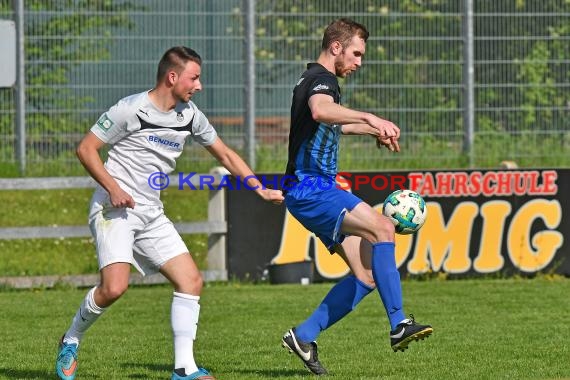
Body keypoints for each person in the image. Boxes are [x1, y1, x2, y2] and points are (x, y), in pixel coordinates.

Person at [55, 46, 284, 380]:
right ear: (172, 77)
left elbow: (225, 154)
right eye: (195, 77)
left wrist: (258, 188)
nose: (199, 86)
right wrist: (115, 188)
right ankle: (71, 338)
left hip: (151, 213)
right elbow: (86, 149)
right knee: (114, 288)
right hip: (113, 209)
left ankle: (184, 369)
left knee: (191, 281)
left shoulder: (189, 115)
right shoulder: (130, 109)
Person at [280, 19, 433, 375]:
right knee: (383, 227)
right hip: (312, 188)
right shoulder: (323, 80)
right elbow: (321, 110)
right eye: (356, 53)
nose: (359, 62)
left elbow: (329, 122)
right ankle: (399, 325)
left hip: (310, 190)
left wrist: (370, 129)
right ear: (336, 47)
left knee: (365, 275)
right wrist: (370, 115)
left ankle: (303, 336)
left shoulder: (313, 78)